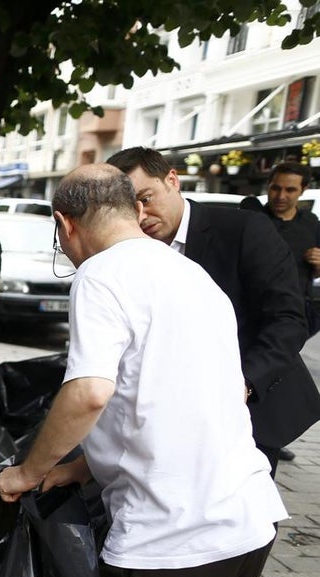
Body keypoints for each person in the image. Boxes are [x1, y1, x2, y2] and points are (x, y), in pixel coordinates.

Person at [0, 163, 286, 577]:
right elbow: (174, 397)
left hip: (176, 539)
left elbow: (90, 394)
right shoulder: (190, 274)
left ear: (64, 225)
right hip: (248, 521)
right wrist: (82, 468)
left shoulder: (101, 276)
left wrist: (27, 471)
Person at [108, 146, 320, 475]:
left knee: (245, 521)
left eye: (146, 198)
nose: (140, 216)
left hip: (246, 409)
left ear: (172, 180)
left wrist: (242, 385)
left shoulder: (243, 230)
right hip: (164, 416)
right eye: (126, 208)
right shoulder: (130, 249)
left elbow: (288, 321)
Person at [263, 162, 320, 336]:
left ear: (303, 190)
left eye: (290, 190)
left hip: (295, 312)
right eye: (276, 188)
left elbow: (316, 273)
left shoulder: (311, 223)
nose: (281, 196)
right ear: (268, 186)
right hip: (254, 310)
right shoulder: (252, 220)